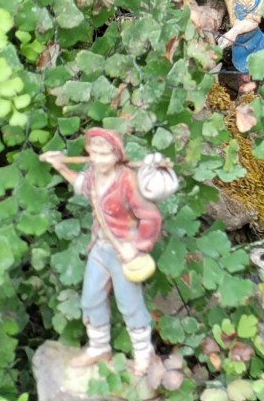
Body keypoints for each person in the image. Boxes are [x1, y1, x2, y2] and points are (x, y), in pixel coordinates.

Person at [39, 129, 162, 375]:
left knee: (130, 304)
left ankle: (143, 353)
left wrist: (136, 246)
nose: (97, 159)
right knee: (91, 299)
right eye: (93, 153)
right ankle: (98, 348)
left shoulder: (127, 180)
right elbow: (80, 184)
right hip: (100, 248)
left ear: (117, 155)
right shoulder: (93, 174)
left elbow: (151, 217)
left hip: (122, 252)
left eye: (104, 154)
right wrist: (59, 166)